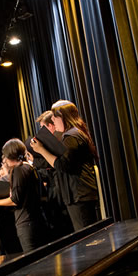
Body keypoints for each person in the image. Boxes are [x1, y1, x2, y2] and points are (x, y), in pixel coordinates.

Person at [30, 99, 99, 231]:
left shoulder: (71, 136)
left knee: (88, 239)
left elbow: (62, 165)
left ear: (64, 117)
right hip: (78, 195)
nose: (54, 121)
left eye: (55, 117)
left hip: (79, 196)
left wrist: (41, 150)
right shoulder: (72, 134)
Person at [0, 139, 47, 252]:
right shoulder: (30, 167)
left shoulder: (18, 170)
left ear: (9, 156)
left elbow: (14, 200)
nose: (4, 159)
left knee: (34, 259)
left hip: (26, 222)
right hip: (38, 219)